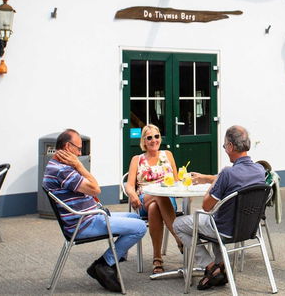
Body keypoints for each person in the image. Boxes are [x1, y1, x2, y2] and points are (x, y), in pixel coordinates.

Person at [43, 129, 147, 293]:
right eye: (78, 148)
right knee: (140, 227)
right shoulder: (63, 170)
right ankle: (105, 264)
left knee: (133, 217)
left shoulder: (55, 165)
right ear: (67, 147)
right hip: (83, 223)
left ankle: (112, 262)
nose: (79, 152)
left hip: (87, 216)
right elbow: (95, 189)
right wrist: (79, 165)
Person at [173, 125, 265, 290]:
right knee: (214, 220)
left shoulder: (227, 173)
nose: (224, 149)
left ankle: (209, 266)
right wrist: (209, 178)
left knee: (178, 224)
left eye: (224, 146)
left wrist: (214, 183)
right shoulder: (259, 170)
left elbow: (206, 206)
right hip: (249, 229)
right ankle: (221, 265)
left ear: (230, 146)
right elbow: (238, 178)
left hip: (223, 229)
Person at [124, 124, 184, 274]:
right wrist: (132, 195)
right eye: (149, 137)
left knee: (155, 207)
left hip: (167, 200)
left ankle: (157, 258)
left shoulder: (168, 155)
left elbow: (176, 181)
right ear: (144, 141)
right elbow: (129, 185)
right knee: (156, 196)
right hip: (144, 199)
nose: (153, 140)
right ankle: (179, 238)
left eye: (156, 136)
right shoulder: (136, 159)